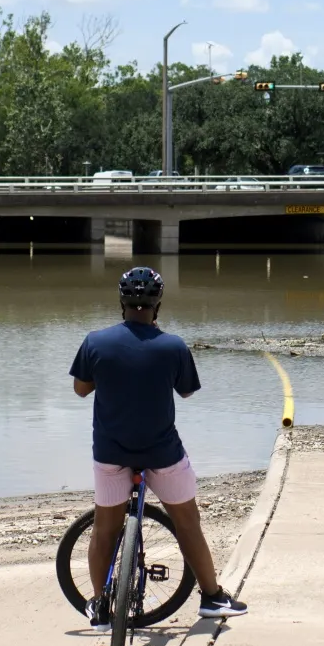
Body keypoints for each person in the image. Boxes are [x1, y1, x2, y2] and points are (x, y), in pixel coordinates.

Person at [69, 265, 249, 624]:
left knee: (105, 527)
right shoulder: (173, 346)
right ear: (158, 303)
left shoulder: (96, 341)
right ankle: (212, 598)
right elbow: (187, 391)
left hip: (111, 452)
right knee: (187, 521)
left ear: (121, 302)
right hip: (162, 453)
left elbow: (80, 388)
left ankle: (100, 604)